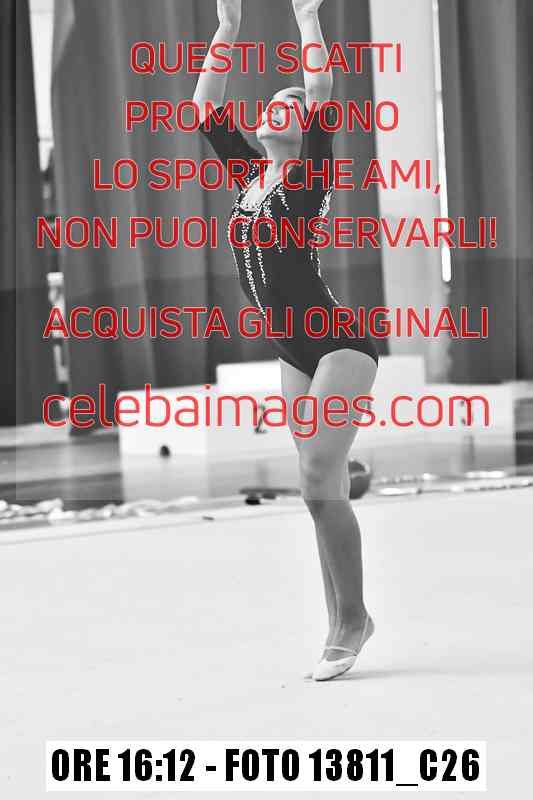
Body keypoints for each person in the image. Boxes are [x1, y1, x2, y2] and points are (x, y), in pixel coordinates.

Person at [193, 0, 379, 681]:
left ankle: (352, 620)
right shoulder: (251, 179)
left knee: (314, 477)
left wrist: (307, 20)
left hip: (338, 347)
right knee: (316, 487)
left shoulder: (308, 176)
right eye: (272, 100)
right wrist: (227, 29)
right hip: (291, 354)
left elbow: (322, 87)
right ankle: (339, 611)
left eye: (289, 104)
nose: (278, 105)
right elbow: (204, 108)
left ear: (304, 130)